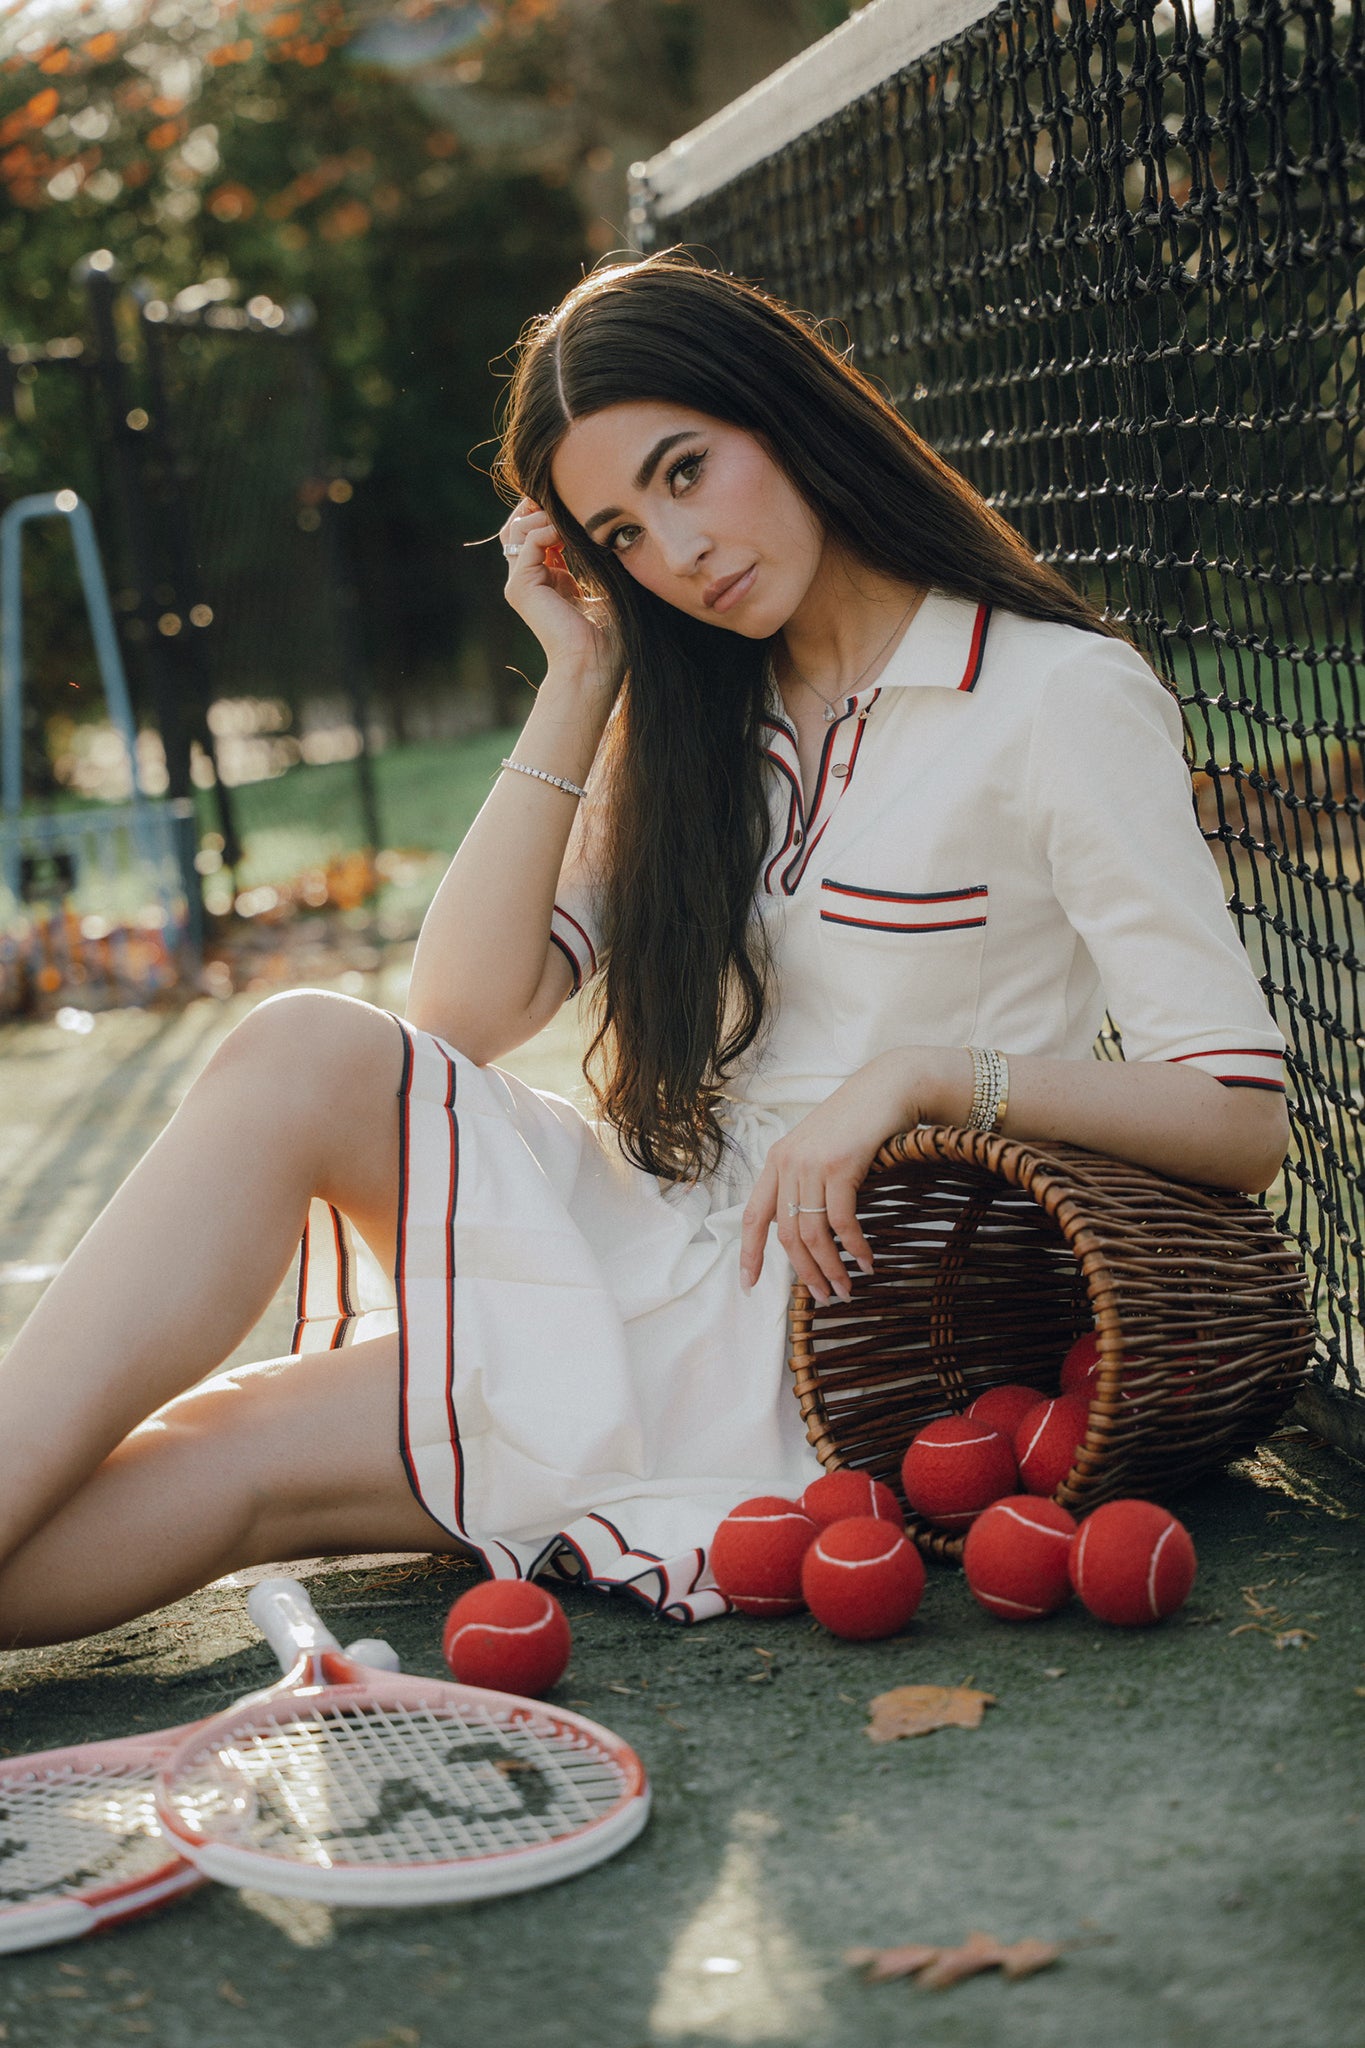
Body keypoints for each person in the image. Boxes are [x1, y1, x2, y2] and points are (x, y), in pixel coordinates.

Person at [0, 252, 1289, 1648]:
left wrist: (925, 1076)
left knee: (227, 1452)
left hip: (817, 1326)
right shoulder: (697, 719)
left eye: (686, 471)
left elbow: (1235, 1113)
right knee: (303, 1046)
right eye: (619, 530)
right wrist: (579, 678)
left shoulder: (1053, 697)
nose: (676, 552)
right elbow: (461, 1013)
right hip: (647, 1218)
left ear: (786, 415)